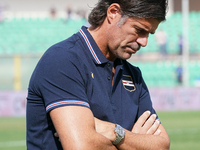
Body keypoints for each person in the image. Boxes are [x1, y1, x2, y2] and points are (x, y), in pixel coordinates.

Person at [26, 0, 170, 149]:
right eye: (139, 30)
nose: (144, 42)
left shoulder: (134, 75)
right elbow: (81, 146)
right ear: (113, 12)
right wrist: (134, 143)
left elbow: (162, 145)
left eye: (149, 34)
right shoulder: (62, 60)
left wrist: (114, 132)